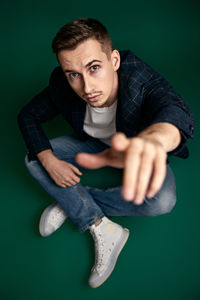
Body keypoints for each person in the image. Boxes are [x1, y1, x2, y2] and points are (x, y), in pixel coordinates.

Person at [17, 17, 194, 288]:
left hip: (134, 150)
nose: (86, 88)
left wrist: (154, 141)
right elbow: (28, 116)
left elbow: (174, 110)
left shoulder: (140, 80)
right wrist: (49, 159)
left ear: (114, 60)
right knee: (35, 157)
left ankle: (72, 201)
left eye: (94, 68)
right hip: (93, 145)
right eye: (73, 74)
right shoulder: (63, 83)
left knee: (163, 201)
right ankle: (100, 225)